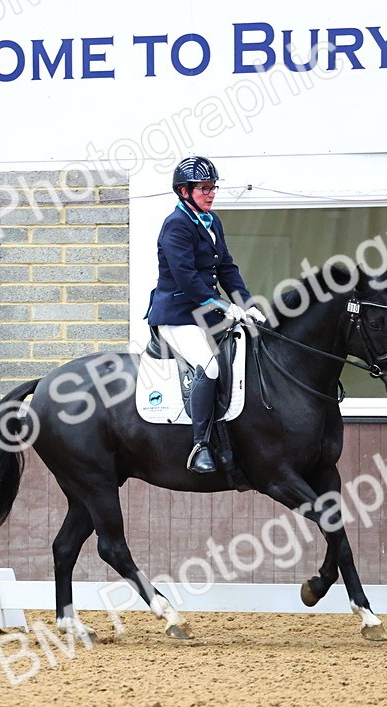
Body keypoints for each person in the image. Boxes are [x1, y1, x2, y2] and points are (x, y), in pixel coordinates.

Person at [145, 156, 266, 473]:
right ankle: (200, 446)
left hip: (205, 314)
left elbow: (226, 268)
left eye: (213, 188)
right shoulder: (176, 225)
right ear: (184, 191)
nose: (211, 194)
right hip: (177, 315)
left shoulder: (212, 222)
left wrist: (248, 305)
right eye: (204, 189)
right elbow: (187, 278)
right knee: (210, 368)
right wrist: (226, 306)